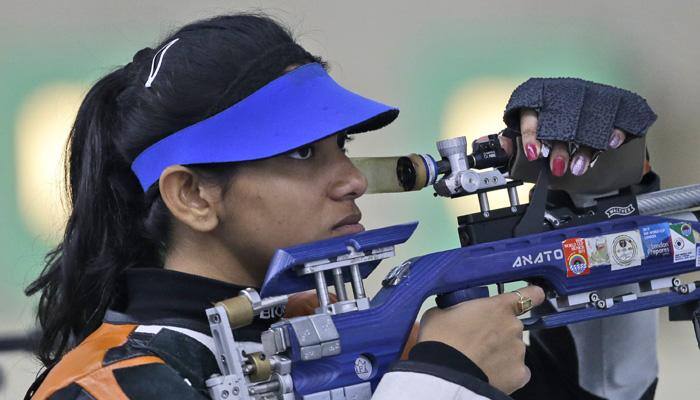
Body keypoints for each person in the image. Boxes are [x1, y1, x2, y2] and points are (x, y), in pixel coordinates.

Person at [23, 13, 658, 400]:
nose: (352, 179)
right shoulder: (108, 385)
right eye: (302, 154)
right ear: (193, 195)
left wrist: (596, 200)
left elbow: (599, 392)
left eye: (343, 146)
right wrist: (441, 379)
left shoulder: (365, 337)